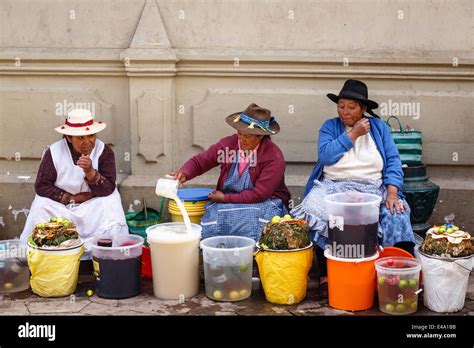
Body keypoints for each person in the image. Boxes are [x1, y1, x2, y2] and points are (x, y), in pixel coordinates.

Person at [291, 79, 415, 296]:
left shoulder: (379, 128)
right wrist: (353, 134)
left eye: (351, 106)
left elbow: (394, 161)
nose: (345, 111)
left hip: (372, 187)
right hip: (333, 186)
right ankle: (326, 276)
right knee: (314, 210)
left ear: (363, 108)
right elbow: (326, 156)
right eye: (341, 106)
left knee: (396, 213)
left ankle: (394, 275)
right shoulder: (330, 126)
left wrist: (392, 192)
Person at [170, 103, 291, 240]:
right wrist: (185, 173)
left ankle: (255, 256)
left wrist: (225, 198)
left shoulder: (273, 157)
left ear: (260, 136)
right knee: (214, 218)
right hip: (229, 201)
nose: (242, 139)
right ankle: (220, 254)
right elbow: (201, 161)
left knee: (260, 221)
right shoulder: (228, 145)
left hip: (264, 202)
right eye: (240, 133)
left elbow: (259, 194)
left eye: (248, 136)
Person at [20, 109, 128, 259]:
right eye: (80, 138)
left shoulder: (104, 152)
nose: (87, 142)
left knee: (111, 201)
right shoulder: (54, 152)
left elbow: (109, 187)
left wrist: (90, 172)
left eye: (91, 136)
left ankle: (107, 255)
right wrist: (71, 198)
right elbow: (42, 185)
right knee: (41, 204)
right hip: (62, 207)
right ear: (69, 138)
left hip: (93, 204)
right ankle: (44, 256)